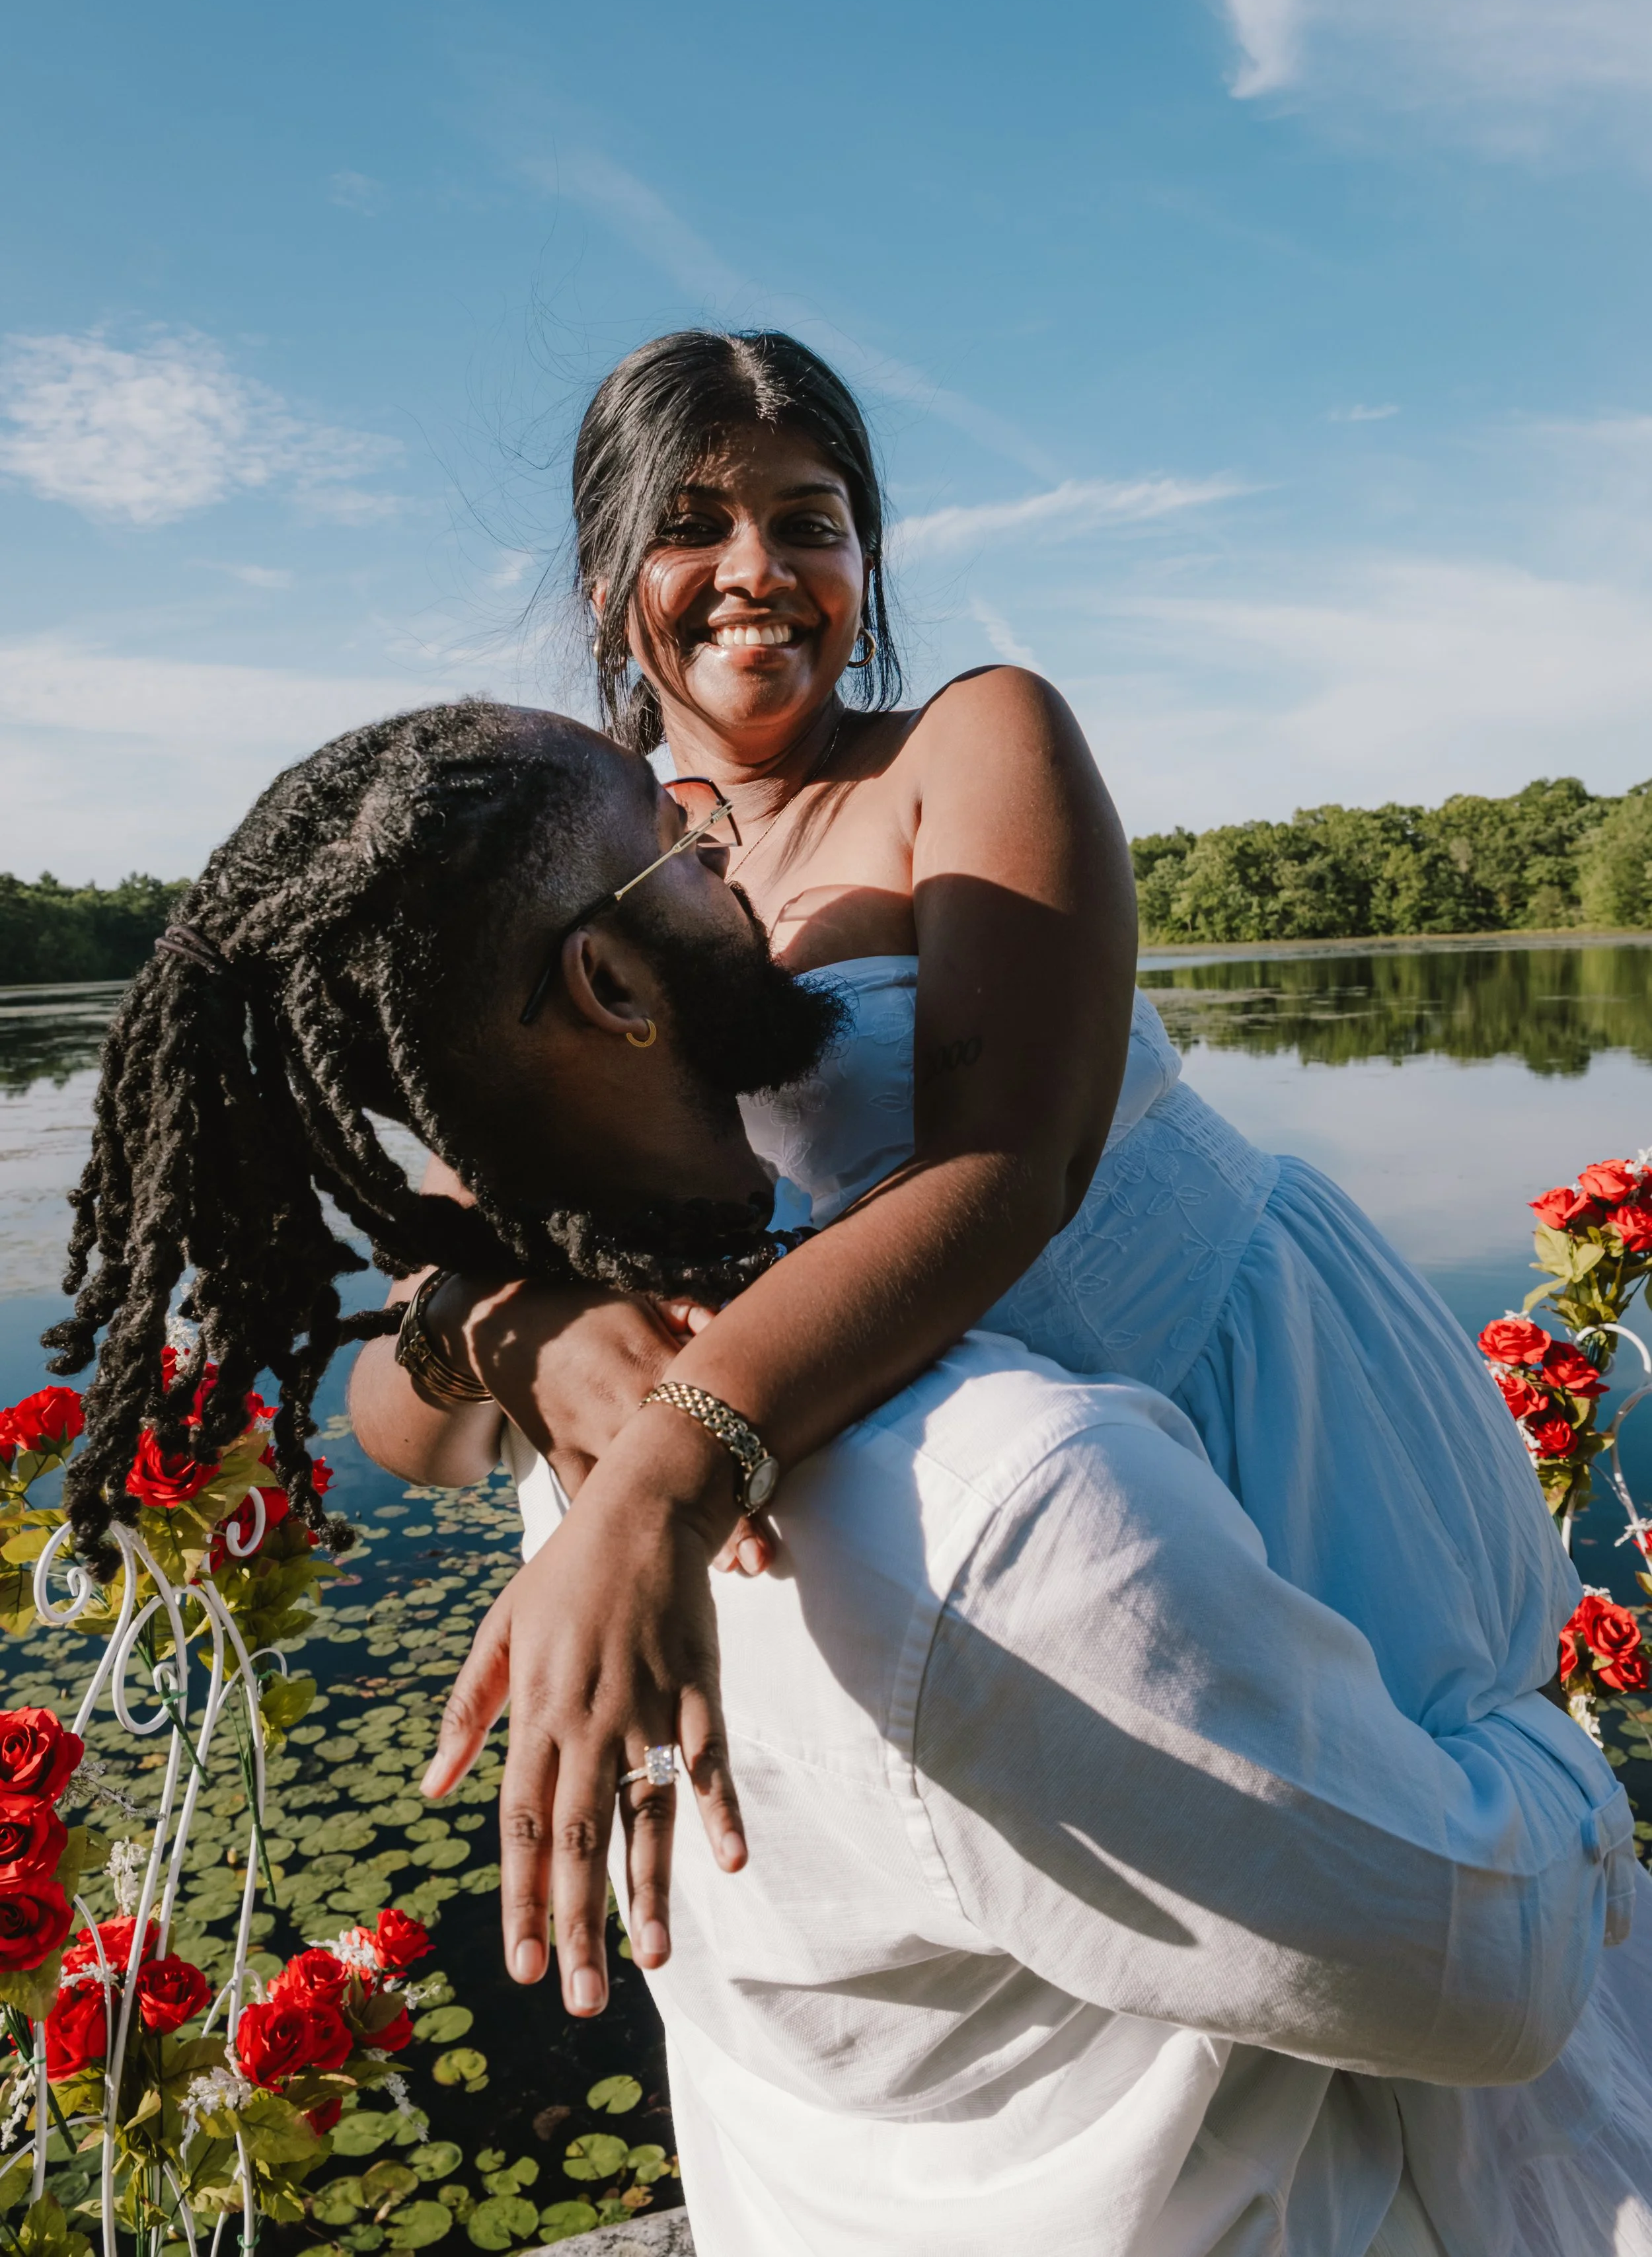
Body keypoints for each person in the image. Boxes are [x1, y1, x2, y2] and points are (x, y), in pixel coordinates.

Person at [47, 701, 1651, 2256]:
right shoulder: (1016, 1513)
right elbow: (1492, 1967)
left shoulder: (572, 1461)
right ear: (612, 981)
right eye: (674, 847)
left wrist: (510, 1323)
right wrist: (1511, 1727)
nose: (734, 865)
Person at [354, 333, 1587, 2032]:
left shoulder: (970, 737)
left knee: (1392, 1860)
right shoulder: (567, 845)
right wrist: (523, 1336)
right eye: (694, 521)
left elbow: (1013, 1168)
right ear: (599, 575)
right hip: (939, 1502)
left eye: (814, 521)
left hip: (1215, 1381)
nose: (760, 572)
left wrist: (671, 1462)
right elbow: (403, 1398)